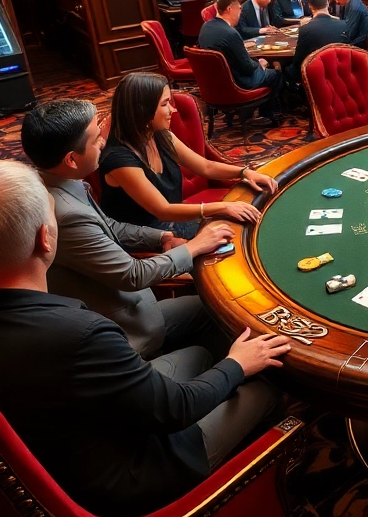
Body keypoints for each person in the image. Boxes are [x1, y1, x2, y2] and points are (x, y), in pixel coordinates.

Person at [0, 160, 293, 517]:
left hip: (48, 452)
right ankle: (260, 494)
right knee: (267, 392)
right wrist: (237, 365)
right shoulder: (79, 334)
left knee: (195, 353)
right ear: (46, 238)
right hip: (127, 479)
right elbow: (175, 410)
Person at [21, 98, 233, 358]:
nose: (103, 143)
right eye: (97, 138)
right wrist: (194, 247)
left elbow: (108, 226)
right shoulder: (66, 215)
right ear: (72, 159)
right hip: (126, 331)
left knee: (211, 308)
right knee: (219, 320)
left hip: (132, 307)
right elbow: (132, 275)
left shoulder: (57, 180)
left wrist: (161, 236)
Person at [99, 72, 276, 239]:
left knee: (248, 225)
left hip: (172, 221)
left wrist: (244, 172)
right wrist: (223, 207)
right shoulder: (119, 159)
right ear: (141, 110)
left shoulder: (160, 135)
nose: (172, 110)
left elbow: (206, 167)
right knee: (236, 234)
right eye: (164, 104)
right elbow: (162, 210)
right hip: (148, 235)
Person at [197, 0, 280, 92]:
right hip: (238, 83)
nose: (240, 13)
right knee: (275, 74)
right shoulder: (231, 33)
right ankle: (270, 108)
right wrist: (260, 64)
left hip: (214, 84)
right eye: (239, 9)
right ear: (229, 9)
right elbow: (248, 68)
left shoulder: (205, 27)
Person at [285, 0, 349, 84]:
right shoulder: (345, 25)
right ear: (327, 4)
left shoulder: (305, 29)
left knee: (285, 69)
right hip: (343, 72)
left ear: (310, 7)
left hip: (318, 77)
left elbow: (298, 62)